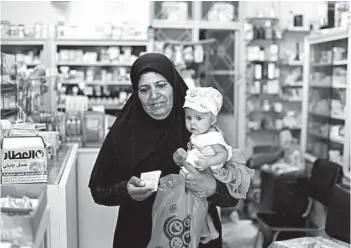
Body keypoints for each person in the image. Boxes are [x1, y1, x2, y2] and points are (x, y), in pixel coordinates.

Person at [88, 53, 246, 248]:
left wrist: (212, 186)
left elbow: (233, 195)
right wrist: (126, 191)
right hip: (139, 236)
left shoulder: (198, 125)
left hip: (192, 233)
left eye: (161, 86)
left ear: (174, 85)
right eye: (144, 89)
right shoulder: (125, 131)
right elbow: (98, 189)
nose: (154, 96)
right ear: (136, 94)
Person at [173, 86, 253, 243]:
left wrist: (208, 161)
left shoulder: (212, 136)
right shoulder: (200, 133)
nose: (192, 123)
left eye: (198, 118)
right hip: (199, 169)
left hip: (210, 171)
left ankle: (209, 230)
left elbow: (223, 153)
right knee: (197, 204)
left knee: (195, 202)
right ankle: (208, 229)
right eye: (188, 118)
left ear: (213, 120)